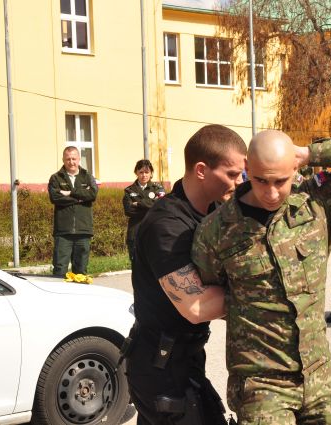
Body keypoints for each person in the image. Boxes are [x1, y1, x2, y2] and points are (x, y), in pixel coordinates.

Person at [191, 130, 331, 424]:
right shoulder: (216, 230)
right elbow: (213, 290)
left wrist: (309, 153)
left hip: (318, 377)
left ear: (295, 168)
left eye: (281, 181)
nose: (271, 193)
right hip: (262, 386)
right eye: (261, 180)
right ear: (247, 167)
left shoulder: (318, 204)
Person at [124, 125, 247, 425]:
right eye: (232, 174)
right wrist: (264, 295)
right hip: (160, 367)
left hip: (186, 358)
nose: (239, 182)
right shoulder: (166, 224)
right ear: (202, 170)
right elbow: (197, 306)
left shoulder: (214, 211)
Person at [48, 146, 98, 277]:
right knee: (60, 270)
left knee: (81, 271)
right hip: (63, 232)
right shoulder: (56, 178)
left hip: (83, 231)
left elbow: (92, 195)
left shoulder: (87, 176)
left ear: (79, 159)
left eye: (74, 159)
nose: (71, 162)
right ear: (63, 160)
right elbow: (55, 198)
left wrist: (70, 193)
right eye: (68, 159)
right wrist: (80, 198)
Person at [122, 159, 166, 262]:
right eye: (141, 172)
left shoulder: (157, 188)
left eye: (147, 172)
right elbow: (128, 210)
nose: (144, 175)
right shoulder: (129, 190)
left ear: (151, 173)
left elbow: (160, 206)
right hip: (135, 232)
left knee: (154, 264)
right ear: (136, 173)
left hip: (153, 232)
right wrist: (150, 207)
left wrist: (138, 204)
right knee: (136, 264)